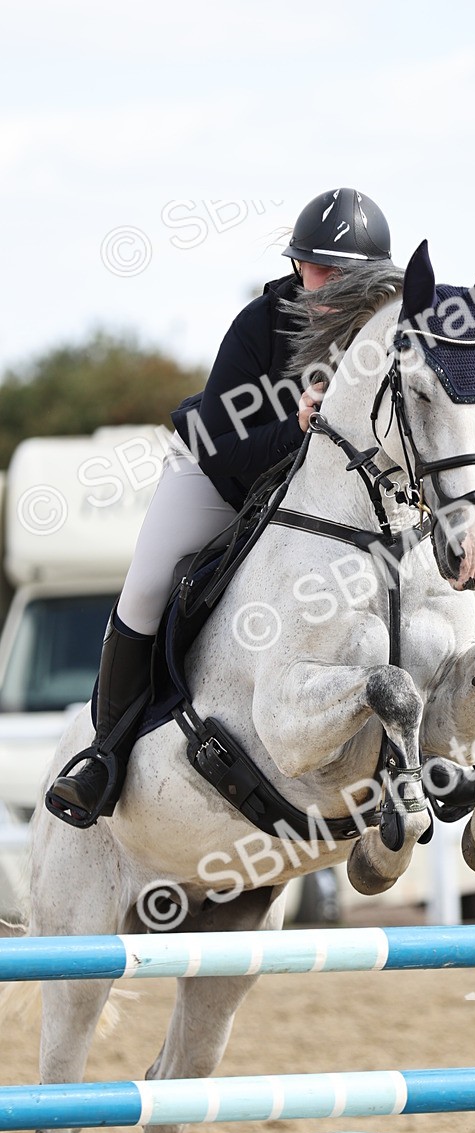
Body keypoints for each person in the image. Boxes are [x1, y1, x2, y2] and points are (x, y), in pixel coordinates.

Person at [46, 188, 393, 828]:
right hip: (221, 478)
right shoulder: (260, 325)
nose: (331, 283)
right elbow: (218, 448)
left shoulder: (382, 337)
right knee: (148, 585)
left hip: (315, 500)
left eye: (346, 272)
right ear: (296, 266)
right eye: (318, 267)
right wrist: (299, 430)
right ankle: (105, 756)